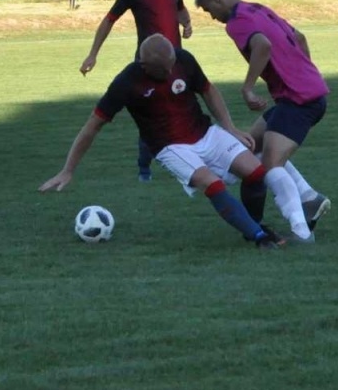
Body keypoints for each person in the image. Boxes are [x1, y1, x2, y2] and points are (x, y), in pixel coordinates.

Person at [40, 35, 286, 249]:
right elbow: (92, 127)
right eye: (163, 70)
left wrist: (229, 127)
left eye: (171, 66)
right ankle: (259, 237)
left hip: (205, 132)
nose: (170, 73)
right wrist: (68, 169)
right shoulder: (126, 83)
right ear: (144, 65)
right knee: (212, 184)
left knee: (256, 173)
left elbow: (208, 90)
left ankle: (254, 226)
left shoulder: (183, 60)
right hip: (170, 147)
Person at [194, 0, 329, 242]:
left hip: (299, 101)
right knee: (250, 146)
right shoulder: (258, 8)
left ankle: (301, 232)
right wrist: (304, 73)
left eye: (209, 10)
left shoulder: (236, 22)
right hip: (302, 94)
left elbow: (262, 46)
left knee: (270, 165)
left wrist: (247, 88)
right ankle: (309, 198)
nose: (212, 17)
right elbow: (299, 37)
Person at [79, 0, 194, 181]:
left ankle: (187, 163)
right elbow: (109, 20)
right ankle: (144, 166)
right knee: (151, 115)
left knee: (182, 112)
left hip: (174, 61)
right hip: (147, 64)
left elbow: (180, 8)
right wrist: (93, 54)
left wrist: (187, 23)